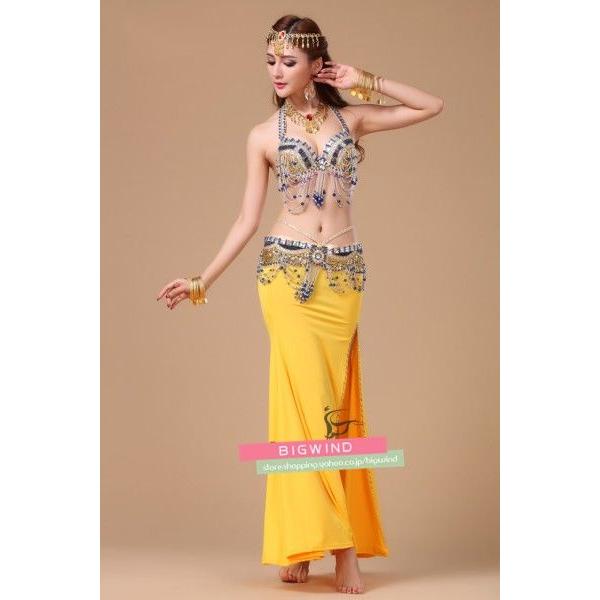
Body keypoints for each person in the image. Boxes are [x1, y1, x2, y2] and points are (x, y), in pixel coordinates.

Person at [156, 14, 443, 595]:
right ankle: (342, 550)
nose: (277, 71)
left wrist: (365, 79)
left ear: (317, 65)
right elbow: (246, 219)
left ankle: (304, 544)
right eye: (271, 61)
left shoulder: (352, 118)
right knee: (306, 409)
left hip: (343, 280)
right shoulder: (263, 135)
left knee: (332, 408)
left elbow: (431, 105)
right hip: (286, 279)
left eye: (289, 61)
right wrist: (202, 280)